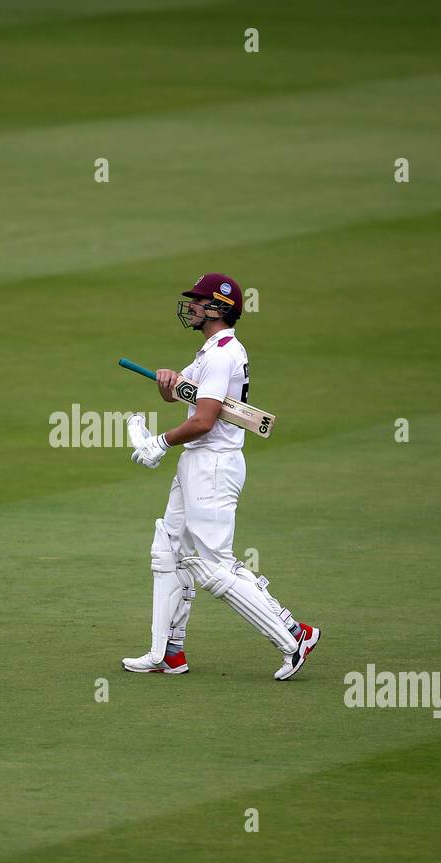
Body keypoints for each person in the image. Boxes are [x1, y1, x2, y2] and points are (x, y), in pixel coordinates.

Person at [123, 273, 321, 680]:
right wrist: (168, 384)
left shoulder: (220, 356)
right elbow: (186, 396)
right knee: (169, 550)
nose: (191, 306)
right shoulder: (212, 352)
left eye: (198, 301)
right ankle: (168, 652)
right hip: (199, 463)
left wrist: (158, 443)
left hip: (212, 465)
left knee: (213, 566)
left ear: (218, 308)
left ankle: (293, 634)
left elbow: (205, 421)